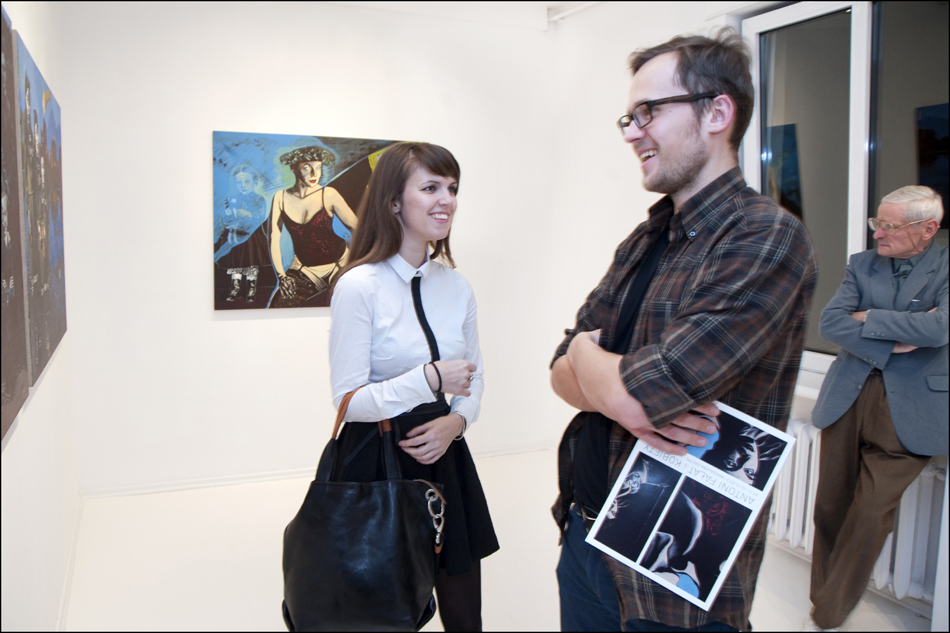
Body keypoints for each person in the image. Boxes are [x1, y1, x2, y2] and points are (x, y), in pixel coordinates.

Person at [549, 29, 817, 632]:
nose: (632, 133)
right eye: (629, 117)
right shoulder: (645, 239)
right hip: (586, 532)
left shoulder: (766, 236)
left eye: (648, 111)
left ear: (717, 112)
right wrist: (592, 369)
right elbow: (557, 372)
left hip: (673, 571)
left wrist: (587, 359)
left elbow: (646, 391)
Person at [328, 141, 499, 631]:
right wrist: (427, 380)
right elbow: (348, 402)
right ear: (393, 202)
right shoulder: (359, 286)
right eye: (430, 188)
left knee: (465, 614)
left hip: (444, 452)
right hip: (376, 458)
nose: (447, 200)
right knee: (382, 615)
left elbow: (473, 377)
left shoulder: (456, 286)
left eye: (452, 188)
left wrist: (457, 421)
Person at [806, 185, 948, 632]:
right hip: (847, 395)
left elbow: (940, 329)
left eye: (889, 225)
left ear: (928, 228)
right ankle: (823, 602)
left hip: (912, 409)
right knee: (830, 506)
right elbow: (830, 323)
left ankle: (828, 611)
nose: (878, 233)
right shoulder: (862, 264)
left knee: (870, 514)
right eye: (877, 222)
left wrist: (870, 318)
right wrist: (897, 340)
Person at [268, 145, 358, 308]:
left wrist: (354, 262)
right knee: (277, 307)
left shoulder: (328, 194)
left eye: (318, 167)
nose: (314, 174)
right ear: (293, 168)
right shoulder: (280, 198)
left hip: (339, 266)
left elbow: (359, 228)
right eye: (306, 168)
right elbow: (274, 239)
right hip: (305, 270)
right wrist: (282, 276)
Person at [214, 165, 268, 302]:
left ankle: (251, 288)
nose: (243, 185)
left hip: (251, 237)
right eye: (239, 182)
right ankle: (235, 287)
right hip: (234, 236)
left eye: (247, 181)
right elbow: (226, 219)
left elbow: (259, 217)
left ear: (255, 182)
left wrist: (246, 214)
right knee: (235, 262)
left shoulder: (259, 199)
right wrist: (227, 215)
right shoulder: (233, 199)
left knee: (250, 262)